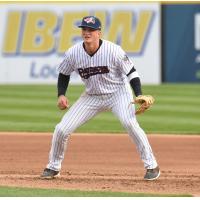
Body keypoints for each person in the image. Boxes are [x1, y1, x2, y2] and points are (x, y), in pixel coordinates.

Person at [40, 16, 160, 181]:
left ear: (99, 33)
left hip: (118, 93)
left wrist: (138, 93)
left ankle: (152, 165)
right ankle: (53, 167)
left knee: (129, 123)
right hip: (92, 96)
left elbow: (132, 72)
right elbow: (64, 73)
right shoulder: (73, 53)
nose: (87, 33)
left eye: (91, 30)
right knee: (62, 129)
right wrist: (61, 94)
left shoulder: (114, 50)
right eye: (84, 29)